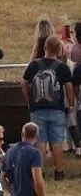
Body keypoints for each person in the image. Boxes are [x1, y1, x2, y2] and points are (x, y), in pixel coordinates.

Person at [20, 36, 74, 180]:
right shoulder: (62, 67)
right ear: (59, 50)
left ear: (44, 48)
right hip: (57, 109)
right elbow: (69, 89)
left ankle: (40, 172)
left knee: (40, 142)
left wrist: (29, 100)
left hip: (37, 109)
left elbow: (23, 84)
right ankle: (59, 172)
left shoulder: (34, 65)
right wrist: (71, 105)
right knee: (57, 141)